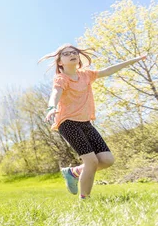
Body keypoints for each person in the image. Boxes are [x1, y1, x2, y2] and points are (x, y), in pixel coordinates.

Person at [40, 44, 146, 200]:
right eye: (67, 54)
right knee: (91, 161)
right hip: (68, 123)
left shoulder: (86, 75)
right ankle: (86, 200)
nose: (72, 54)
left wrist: (133, 60)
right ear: (60, 62)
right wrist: (51, 107)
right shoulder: (61, 78)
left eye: (74, 52)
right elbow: (55, 93)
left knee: (107, 160)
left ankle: (74, 172)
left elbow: (108, 71)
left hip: (85, 123)